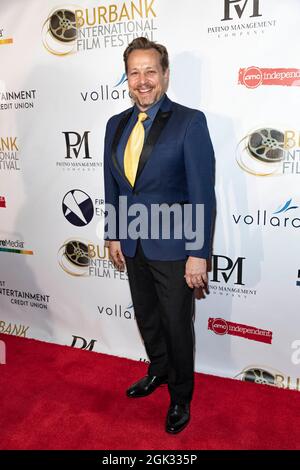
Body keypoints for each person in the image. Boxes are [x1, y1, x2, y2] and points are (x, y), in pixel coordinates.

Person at [103, 37, 215, 434]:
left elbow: (203, 191)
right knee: (148, 318)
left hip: (174, 246)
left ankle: (181, 395)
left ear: (165, 75)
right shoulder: (114, 125)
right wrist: (114, 233)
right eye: (135, 72)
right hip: (132, 243)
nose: (143, 80)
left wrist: (198, 252)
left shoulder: (190, 121)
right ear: (127, 78)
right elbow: (113, 186)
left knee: (175, 323)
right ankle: (159, 371)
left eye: (151, 71)